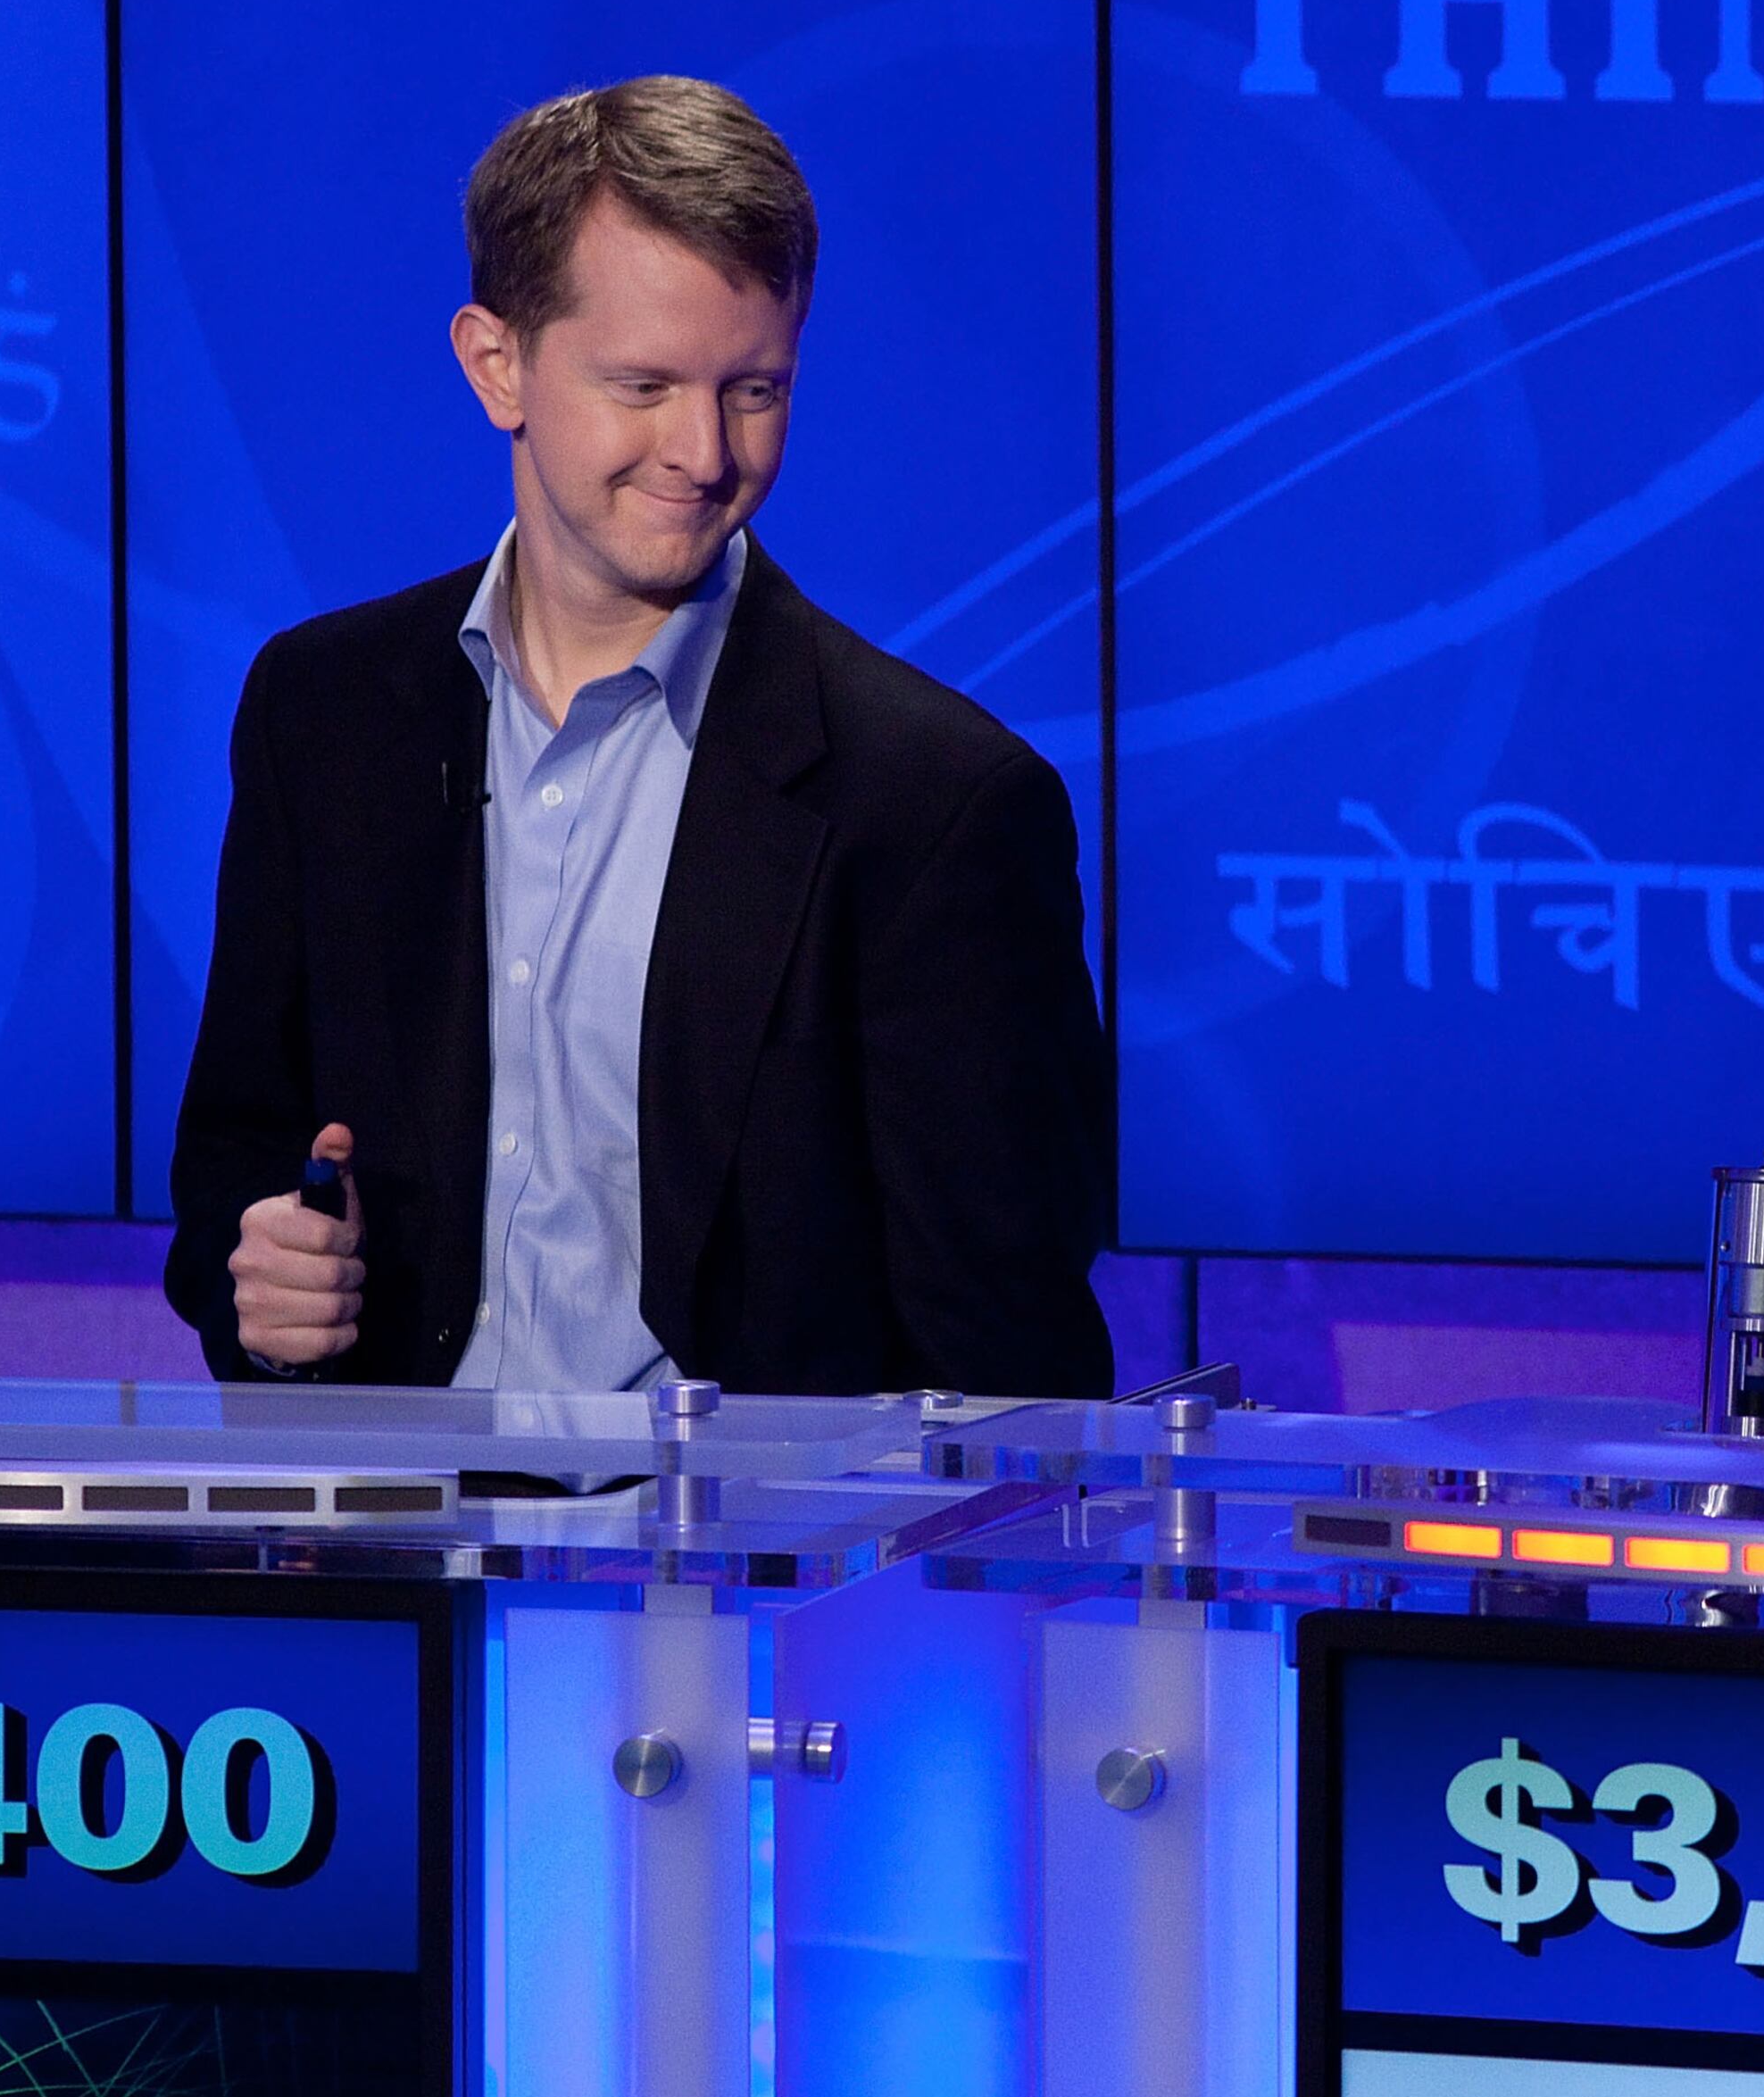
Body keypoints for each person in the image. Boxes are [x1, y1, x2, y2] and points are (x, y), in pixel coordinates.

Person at [162, 76, 1114, 1399]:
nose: (704, 452)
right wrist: (261, 1286)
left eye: (756, 389)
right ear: (498, 365)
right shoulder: (322, 716)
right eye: (645, 384)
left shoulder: (936, 804)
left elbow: (1007, 1357)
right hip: (392, 1554)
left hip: (736, 1583)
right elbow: (234, 1172)